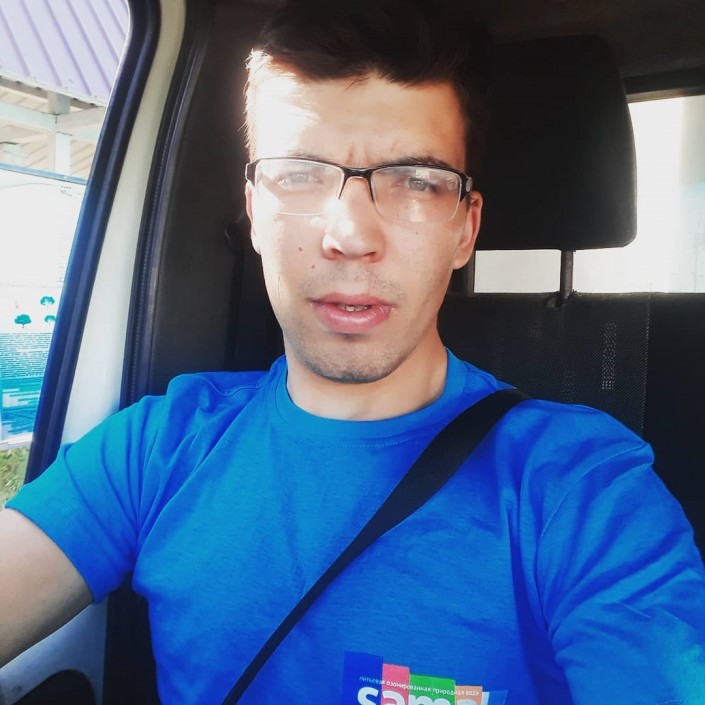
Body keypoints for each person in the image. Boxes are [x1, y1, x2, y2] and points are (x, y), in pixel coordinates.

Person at [1, 0, 705, 703]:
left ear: (465, 231)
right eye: (299, 174)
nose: (350, 235)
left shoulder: (581, 491)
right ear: (255, 211)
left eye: (416, 180)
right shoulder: (156, 449)